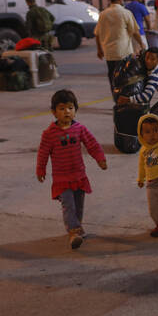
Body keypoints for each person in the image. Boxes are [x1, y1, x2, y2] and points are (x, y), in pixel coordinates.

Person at [37, 89, 107, 249]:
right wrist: (41, 169)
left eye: (70, 108)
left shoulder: (80, 129)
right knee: (68, 205)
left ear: (75, 110)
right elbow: (43, 153)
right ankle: (73, 232)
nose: (66, 112)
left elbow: (92, 144)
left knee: (79, 205)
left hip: (79, 175)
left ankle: (77, 227)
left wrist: (100, 158)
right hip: (62, 178)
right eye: (62, 108)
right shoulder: (49, 134)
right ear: (54, 112)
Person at [95, 0, 146, 89]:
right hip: (124, 53)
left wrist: (99, 50)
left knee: (113, 78)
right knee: (126, 79)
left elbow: (97, 34)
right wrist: (141, 44)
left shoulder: (103, 14)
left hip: (109, 54)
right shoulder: (125, 13)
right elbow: (135, 32)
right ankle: (125, 100)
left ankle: (116, 98)